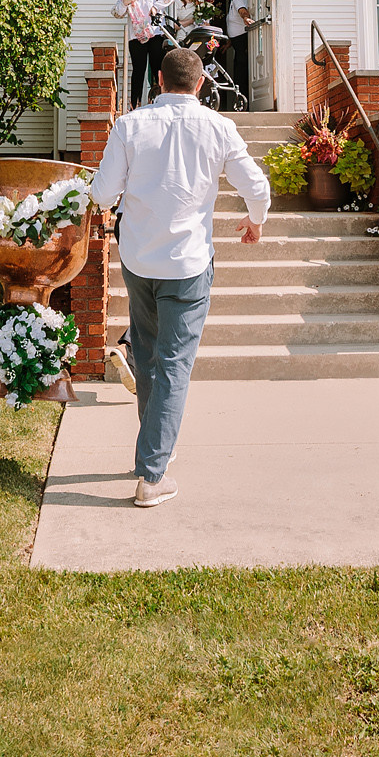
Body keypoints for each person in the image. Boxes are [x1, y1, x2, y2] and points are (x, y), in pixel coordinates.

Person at [89, 44, 269, 507]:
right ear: (202, 84)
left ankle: (152, 452)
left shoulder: (130, 125)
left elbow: (104, 194)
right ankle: (152, 475)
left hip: (139, 261)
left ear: (160, 83)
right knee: (172, 365)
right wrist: (255, 220)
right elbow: (257, 186)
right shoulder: (218, 126)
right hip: (187, 264)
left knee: (149, 358)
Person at [110, 0, 175, 109]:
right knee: (138, 70)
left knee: (157, 68)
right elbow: (116, 13)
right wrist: (125, 2)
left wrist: (156, 7)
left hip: (154, 34)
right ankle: (135, 104)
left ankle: (159, 100)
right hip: (136, 37)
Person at [219, 0, 252, 100]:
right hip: (237, 43)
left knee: (241, 74)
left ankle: (244, 101)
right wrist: (229, 43)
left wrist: (246, 18)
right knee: (238, 73)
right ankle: (242, 100)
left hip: (242, 43)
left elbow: (242, 10)